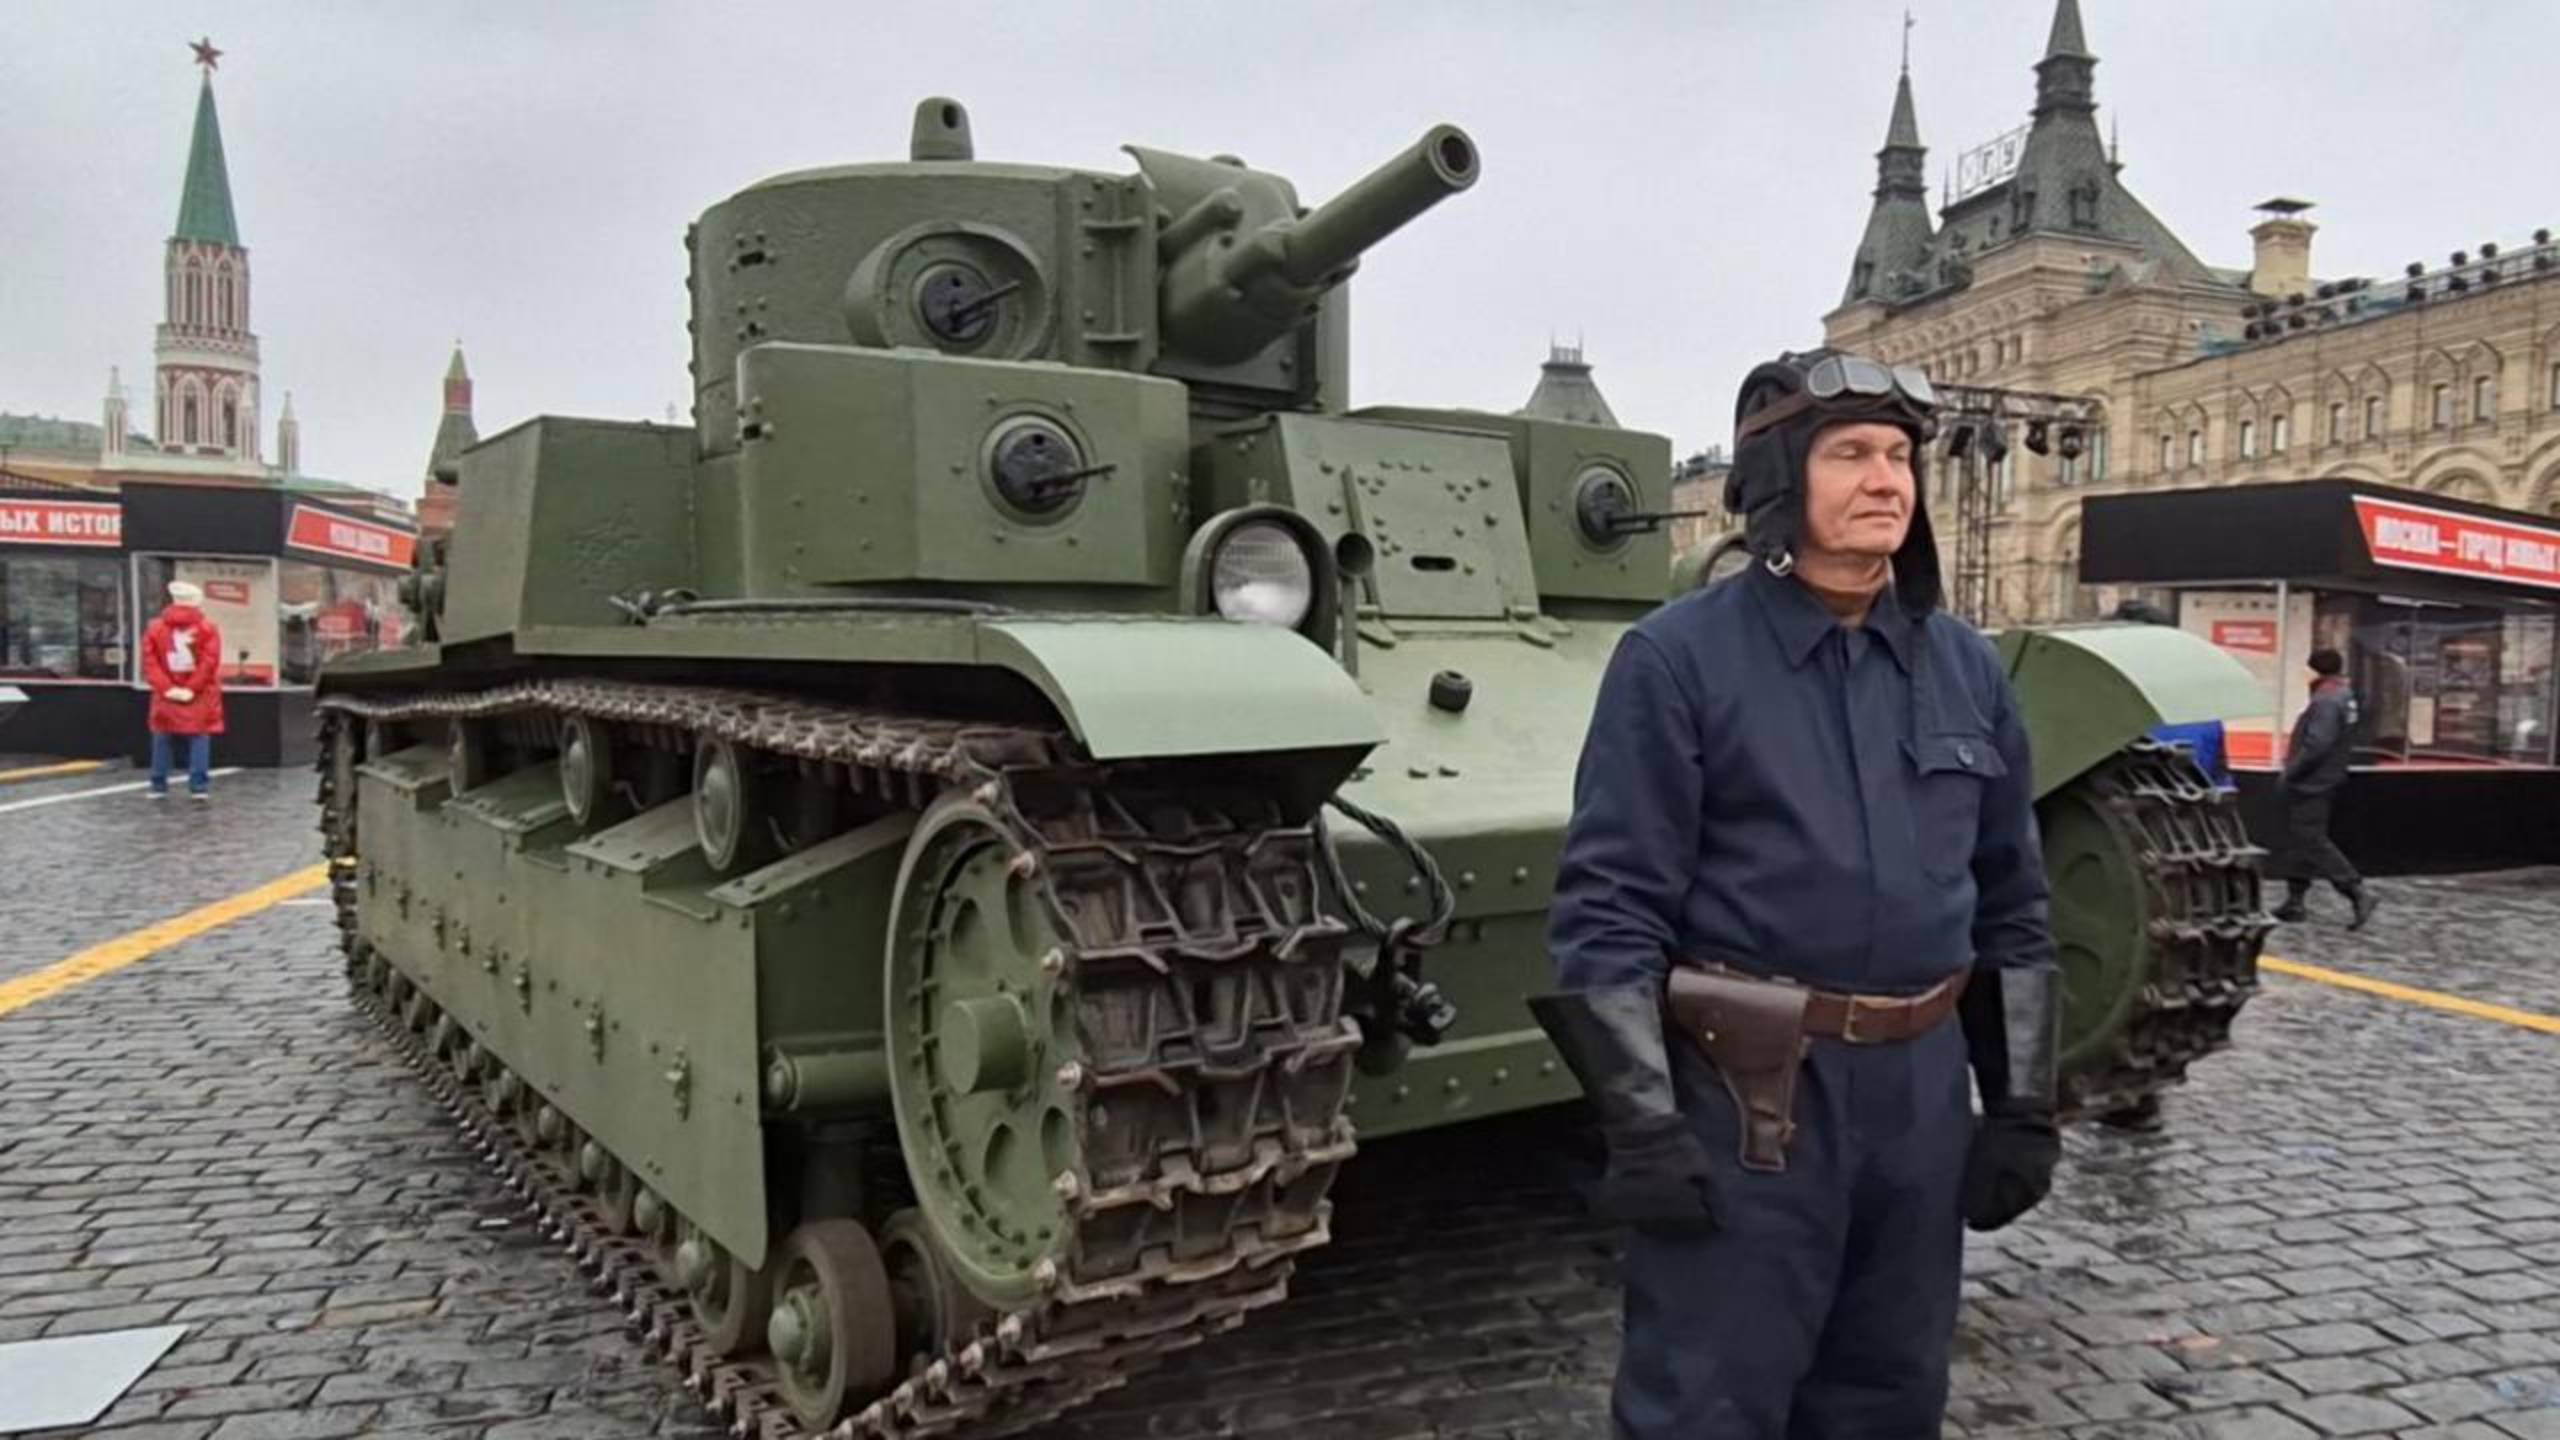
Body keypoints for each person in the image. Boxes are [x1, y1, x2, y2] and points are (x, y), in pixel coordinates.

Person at [1534, 349, 2061, 1439]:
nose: (1886, 481)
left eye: (1900, 456)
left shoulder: (1965, 668)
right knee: (1707, 1401)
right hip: (1750, 1099)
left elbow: (2010, 896)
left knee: (1890, 1394)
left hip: (1919, 1096)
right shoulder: (1678, 661)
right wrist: (1642, 1123)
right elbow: (1609, 905)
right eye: (1850, 454)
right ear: (1781, 477)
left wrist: (2020, 1105)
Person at [2270, 647, 2374, 927]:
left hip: (2313, 781)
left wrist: (2291, 772)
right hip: (2326, 776)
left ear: (2314, 670)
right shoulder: (2343, 694)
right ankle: (2295, 901)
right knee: (2300, 838)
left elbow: (2317, 744)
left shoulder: (2326, 699)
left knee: (2310, 838)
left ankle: (2355, 889)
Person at [141, 579, 224, 801]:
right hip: (200, 694)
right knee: (199, 737)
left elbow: (150, 662)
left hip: (165, 694)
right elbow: (209, 662)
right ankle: (198, 786)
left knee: (162, 736)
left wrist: (166, 688)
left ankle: (158, 784)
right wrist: (191, 688)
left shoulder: (155, 628)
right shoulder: (208, 628)